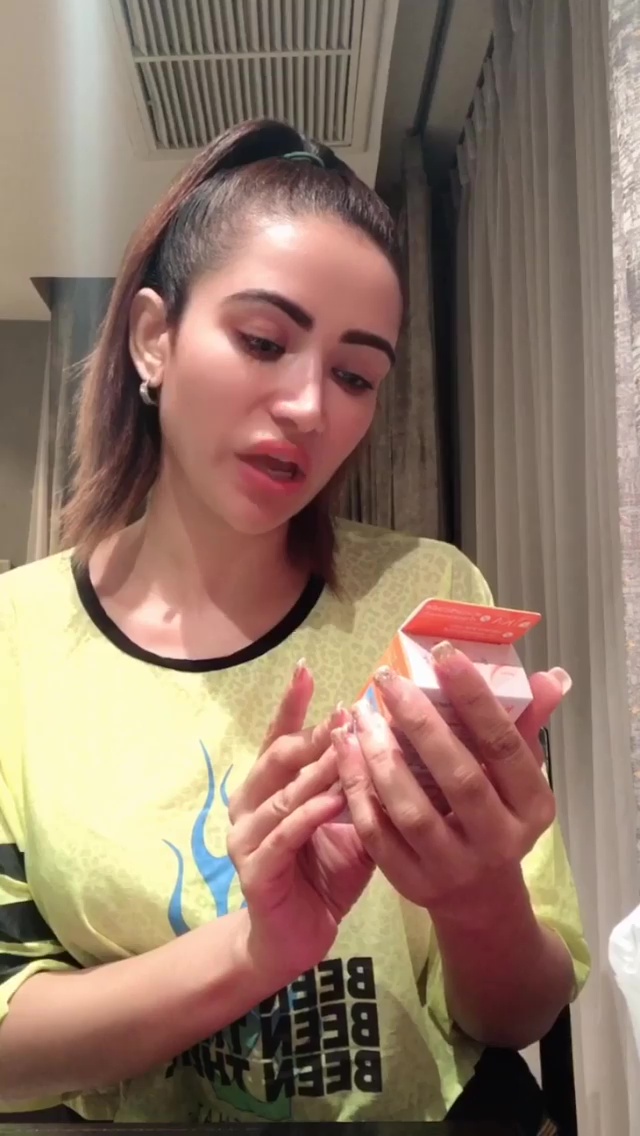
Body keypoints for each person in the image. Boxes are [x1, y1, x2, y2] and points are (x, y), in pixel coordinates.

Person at [0, 119, 588, 1130]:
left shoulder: (426, 596)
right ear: (153, 337)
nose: (310, 406)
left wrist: (479, 891)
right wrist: (255, 950)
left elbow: (516, 1013)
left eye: (355, 375)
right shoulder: (15, 637)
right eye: (264, 341)